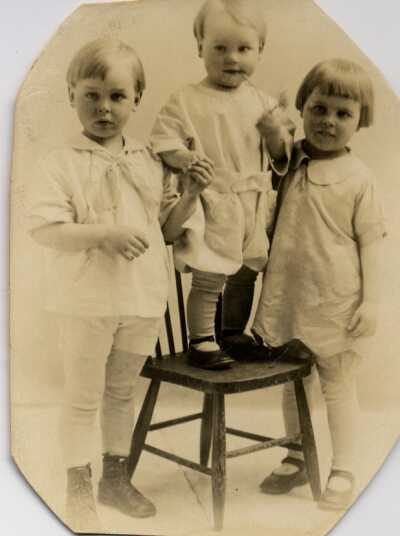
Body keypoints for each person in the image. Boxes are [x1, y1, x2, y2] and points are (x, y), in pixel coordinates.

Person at [29, 37, 212, 532]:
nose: (104, 108)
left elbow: (167, 232)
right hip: (84, 300)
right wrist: (104, 234)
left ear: (136, 99)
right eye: (91, 95)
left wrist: (191, 194)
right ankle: (77, 484)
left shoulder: (150, 160)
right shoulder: (60, 162)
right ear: (70, 94)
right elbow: (46, 230)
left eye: (116, 96)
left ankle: (114, 477)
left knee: (120, 392)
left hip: (141, 298)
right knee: (81, 395)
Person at [252, 58, 386, 510]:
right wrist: (272, 122)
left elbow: (372, 245)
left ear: (360, 120)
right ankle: (296, 455)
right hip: (291, 295)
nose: (328, 120)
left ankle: (344, 467)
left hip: (336, 301)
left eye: (343, 113)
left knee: (337, 383)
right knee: (294, 381)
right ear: (303, 107)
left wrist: (371, 302)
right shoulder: (290, 160)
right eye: (319, 108)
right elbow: (269, 151)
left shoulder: (359, 178)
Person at [150, 0, 294, 369]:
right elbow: (163, 141)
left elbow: (281, 157)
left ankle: (231, 332)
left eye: (244, 48)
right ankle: (201, 340)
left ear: (260, 50)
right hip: (213, 200)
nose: (232, 58)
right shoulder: (186, 99)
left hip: (252, 202)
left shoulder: (262, 102)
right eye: (220, 47)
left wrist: (275, 133)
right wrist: (187, 159)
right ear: (200, 47)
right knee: (210, 274)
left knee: (246, 273)